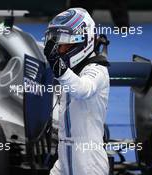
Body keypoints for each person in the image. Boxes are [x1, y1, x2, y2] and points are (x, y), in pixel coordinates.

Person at [43, 8, 110, 175]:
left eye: (65, 45)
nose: (60, 50)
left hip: (89, 161)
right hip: (65, 155)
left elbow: (82, 90)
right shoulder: (72, 71)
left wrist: (59, 69)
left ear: (83, 42)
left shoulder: (97, 70)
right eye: (58, 45)